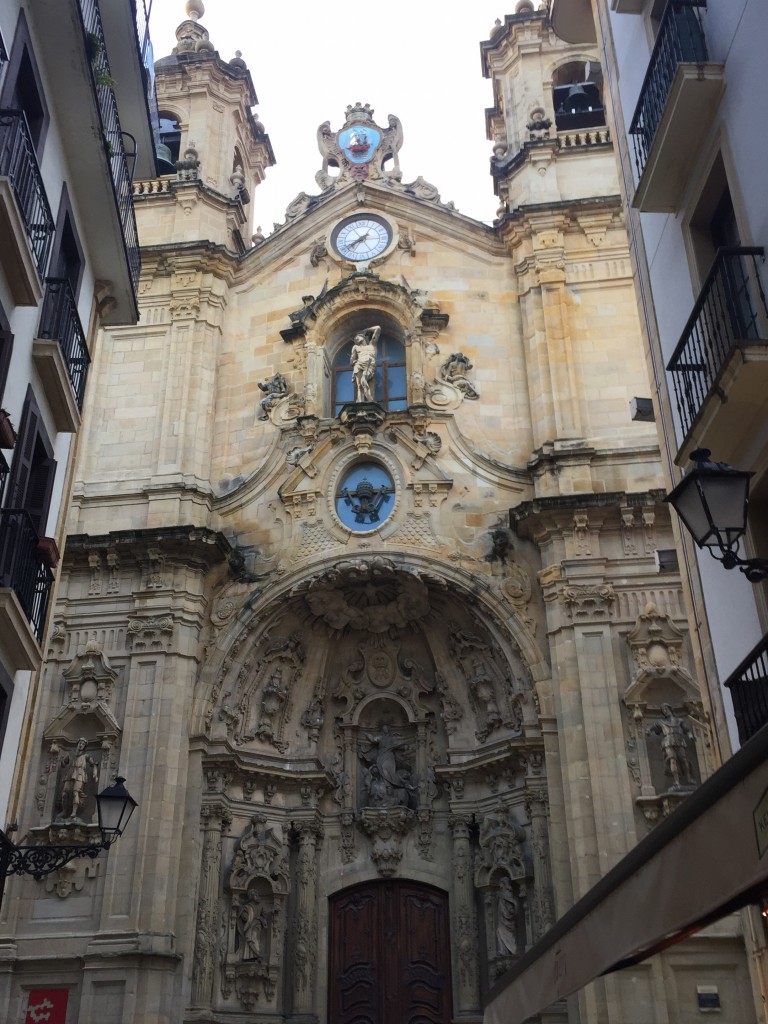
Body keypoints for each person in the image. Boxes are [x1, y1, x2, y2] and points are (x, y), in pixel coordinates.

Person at [60, 737, 97, 819]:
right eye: (80, 743)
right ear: (77, 744)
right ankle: (64, 811)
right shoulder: (70, 754)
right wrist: (60, 761)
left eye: (83, 744)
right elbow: (63, 764)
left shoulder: (86, 756)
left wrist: (95, 773)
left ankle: (74, 812)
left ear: (84, 746)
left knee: (76, 792)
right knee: (64, 794)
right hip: (70, 773)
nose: (81, 745)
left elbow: (93, 764)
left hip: (80, 774)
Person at [350, 326, 380, 403]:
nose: (356, 339)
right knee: (359, 385)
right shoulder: (355, 347)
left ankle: (370, 399)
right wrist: (353, 362)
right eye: (355, 339)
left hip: (369, 365)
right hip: (358, 365)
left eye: (358, 337)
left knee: (364, 379)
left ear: (363, 337)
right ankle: (360, 402)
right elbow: (352, 360)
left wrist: (366, 329)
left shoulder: (372, 345)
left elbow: (378, 328)